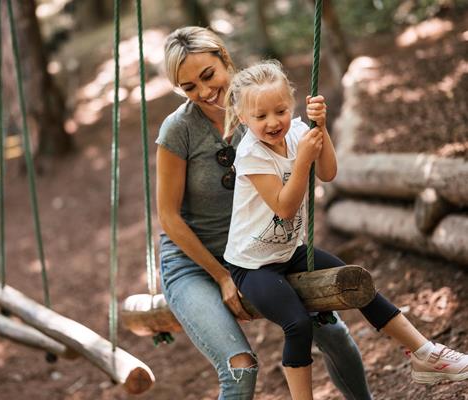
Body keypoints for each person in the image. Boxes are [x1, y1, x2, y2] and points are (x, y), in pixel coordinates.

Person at [222, 60, 468, 400]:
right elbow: (284, 206)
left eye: (279, 110)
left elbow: (329, 174)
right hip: (252, 266)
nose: (272, 122)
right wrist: (303, 159)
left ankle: (425, 354)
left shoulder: (297, 132)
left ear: (291, 103)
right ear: (243, 119)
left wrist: (320, 128)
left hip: (289, 252)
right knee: (298, 324)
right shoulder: (250, 154)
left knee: (357, 281)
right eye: (260, 116)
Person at [156, 26, 374, 399]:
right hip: (194, 263)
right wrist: (222, 277)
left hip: (259, 253)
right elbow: (168, 218)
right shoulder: (179, 129)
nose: (204, 92)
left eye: (208, 75)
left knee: (332, 331)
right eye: (189, 87)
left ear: (225, 59)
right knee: (240, 369)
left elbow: (302, 177)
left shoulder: (261, 110)